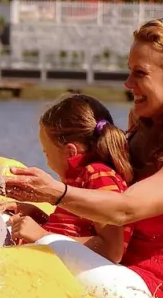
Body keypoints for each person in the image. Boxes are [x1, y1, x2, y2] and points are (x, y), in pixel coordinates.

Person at [2, 17, 163, 298]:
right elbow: (101, 198)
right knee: (0, 223)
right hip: (111, 269)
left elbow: (125, 209)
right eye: (129, 71)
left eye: (140, 73)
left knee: (46, 246)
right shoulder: (142, 127)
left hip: (147, 294)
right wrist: (37, 210)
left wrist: (54, 194)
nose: (128, 84)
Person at [8, 93, 133, 264]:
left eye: (46, 153)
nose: (47, 160)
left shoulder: (99, 177)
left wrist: (42, 235)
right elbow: (73, 229)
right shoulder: (80, 178)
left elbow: (111, 250)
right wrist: (36, 214)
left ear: (70, 152)